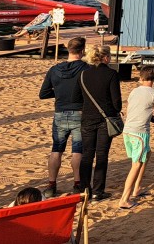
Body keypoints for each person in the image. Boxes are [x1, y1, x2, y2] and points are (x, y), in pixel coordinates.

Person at [39, 36, 87, 198]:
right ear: (82, 51)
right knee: (77, 150)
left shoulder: (54, 69)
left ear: (69, 49)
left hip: (60, 112)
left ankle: (51, 184)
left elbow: (43, 93)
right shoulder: (85, 69)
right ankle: (77, 183)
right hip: (79, 112)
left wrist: (59, 92)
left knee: (56, 149)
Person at [72, 44, 121, 200]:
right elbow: (116, 102)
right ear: (106, 57)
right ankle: (98, 191)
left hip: (87, 118)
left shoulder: (83, 74)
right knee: (101, 155)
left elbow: (77, 98)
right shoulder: (111, 74)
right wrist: (115, 110)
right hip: (105, 119)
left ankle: (85, 189)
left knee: (87, 155)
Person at [118, 65, 154, 209]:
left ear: (141, 77)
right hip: (140, 132)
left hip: (128, 130)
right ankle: (124, 199)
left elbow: (133, 108)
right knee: (136, 164)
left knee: (147, 154)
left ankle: (137, 188)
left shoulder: (134, 91)